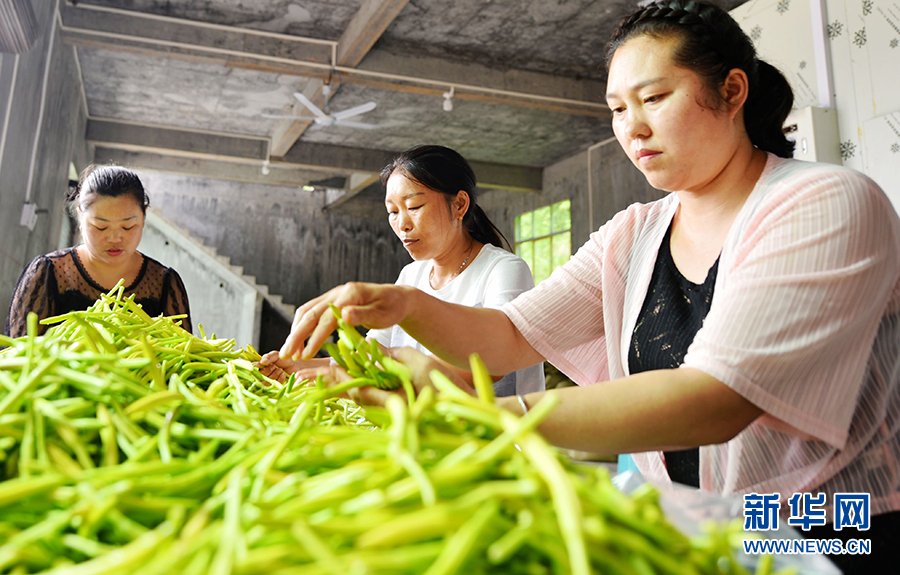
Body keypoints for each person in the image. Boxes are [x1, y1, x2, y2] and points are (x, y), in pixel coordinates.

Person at [278, 1, 900, 569]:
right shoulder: (634, 233)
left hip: (838, 528)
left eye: (654, 98)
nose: (634, 128)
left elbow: (716, 399)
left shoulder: (823, 202)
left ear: (732, 90)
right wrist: (400, 302)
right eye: (618, 109)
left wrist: (482, 415)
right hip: (709, 530)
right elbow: (506, 337)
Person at [260, 145, 543, 396]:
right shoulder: (411, 275)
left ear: (459, 204)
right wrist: (296, 368)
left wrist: (359, 380)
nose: (402, 224)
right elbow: (372, 356)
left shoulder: (503, 270)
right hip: (428, 437)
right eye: (393, 212)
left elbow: (493, 365)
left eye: (414, 207)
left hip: (498, 441)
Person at [5, 164, 192, 338]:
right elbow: (18, 355)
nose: (114, 238)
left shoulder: (164, 283)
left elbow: (183, 356)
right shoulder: (48, 272)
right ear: (80, 217)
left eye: (128, 227)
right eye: (100, 227)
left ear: (143, 217)